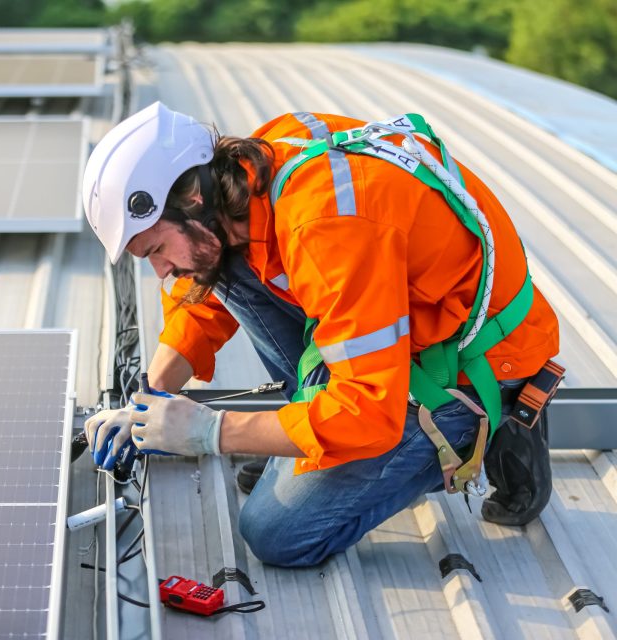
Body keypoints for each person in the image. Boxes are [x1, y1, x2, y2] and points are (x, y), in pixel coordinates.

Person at [81, 102, 560, 567]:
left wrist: (211, 432)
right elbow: (198, 297)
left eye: (156, 248)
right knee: (212, 267)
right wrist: (151, 397)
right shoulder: (249, 174)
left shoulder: (326, 221)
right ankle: (309, 444)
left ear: (192, 198)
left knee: (274, 532)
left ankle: (492, 431)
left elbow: (368, 411)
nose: (162, 270)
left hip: (469, 369)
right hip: (397, 333)